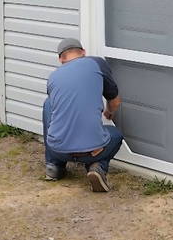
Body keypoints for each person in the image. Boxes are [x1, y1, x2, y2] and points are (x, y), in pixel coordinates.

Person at [42, 38, 123, 192]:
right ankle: (97, 167)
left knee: (49, 104)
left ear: (61, 59)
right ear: (83, 52)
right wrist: (109, 112)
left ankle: (53, 166)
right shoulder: (96, 63)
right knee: (116, 135)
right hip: (91, 152)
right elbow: (116, 101)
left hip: (58, 150)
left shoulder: (53, 77)